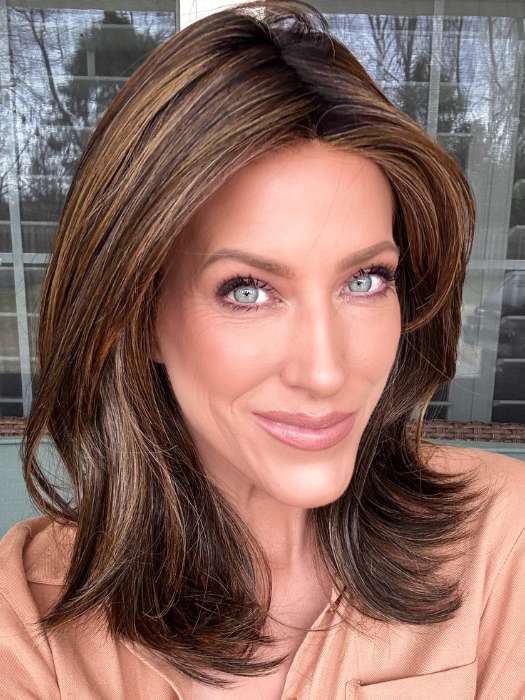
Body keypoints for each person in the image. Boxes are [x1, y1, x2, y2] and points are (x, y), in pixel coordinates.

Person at [1, 1, 524, 698]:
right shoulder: (24, 621)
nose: (325, 371)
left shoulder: (503, 540)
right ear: (139, 314)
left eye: (365, 280)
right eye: (247, 290)